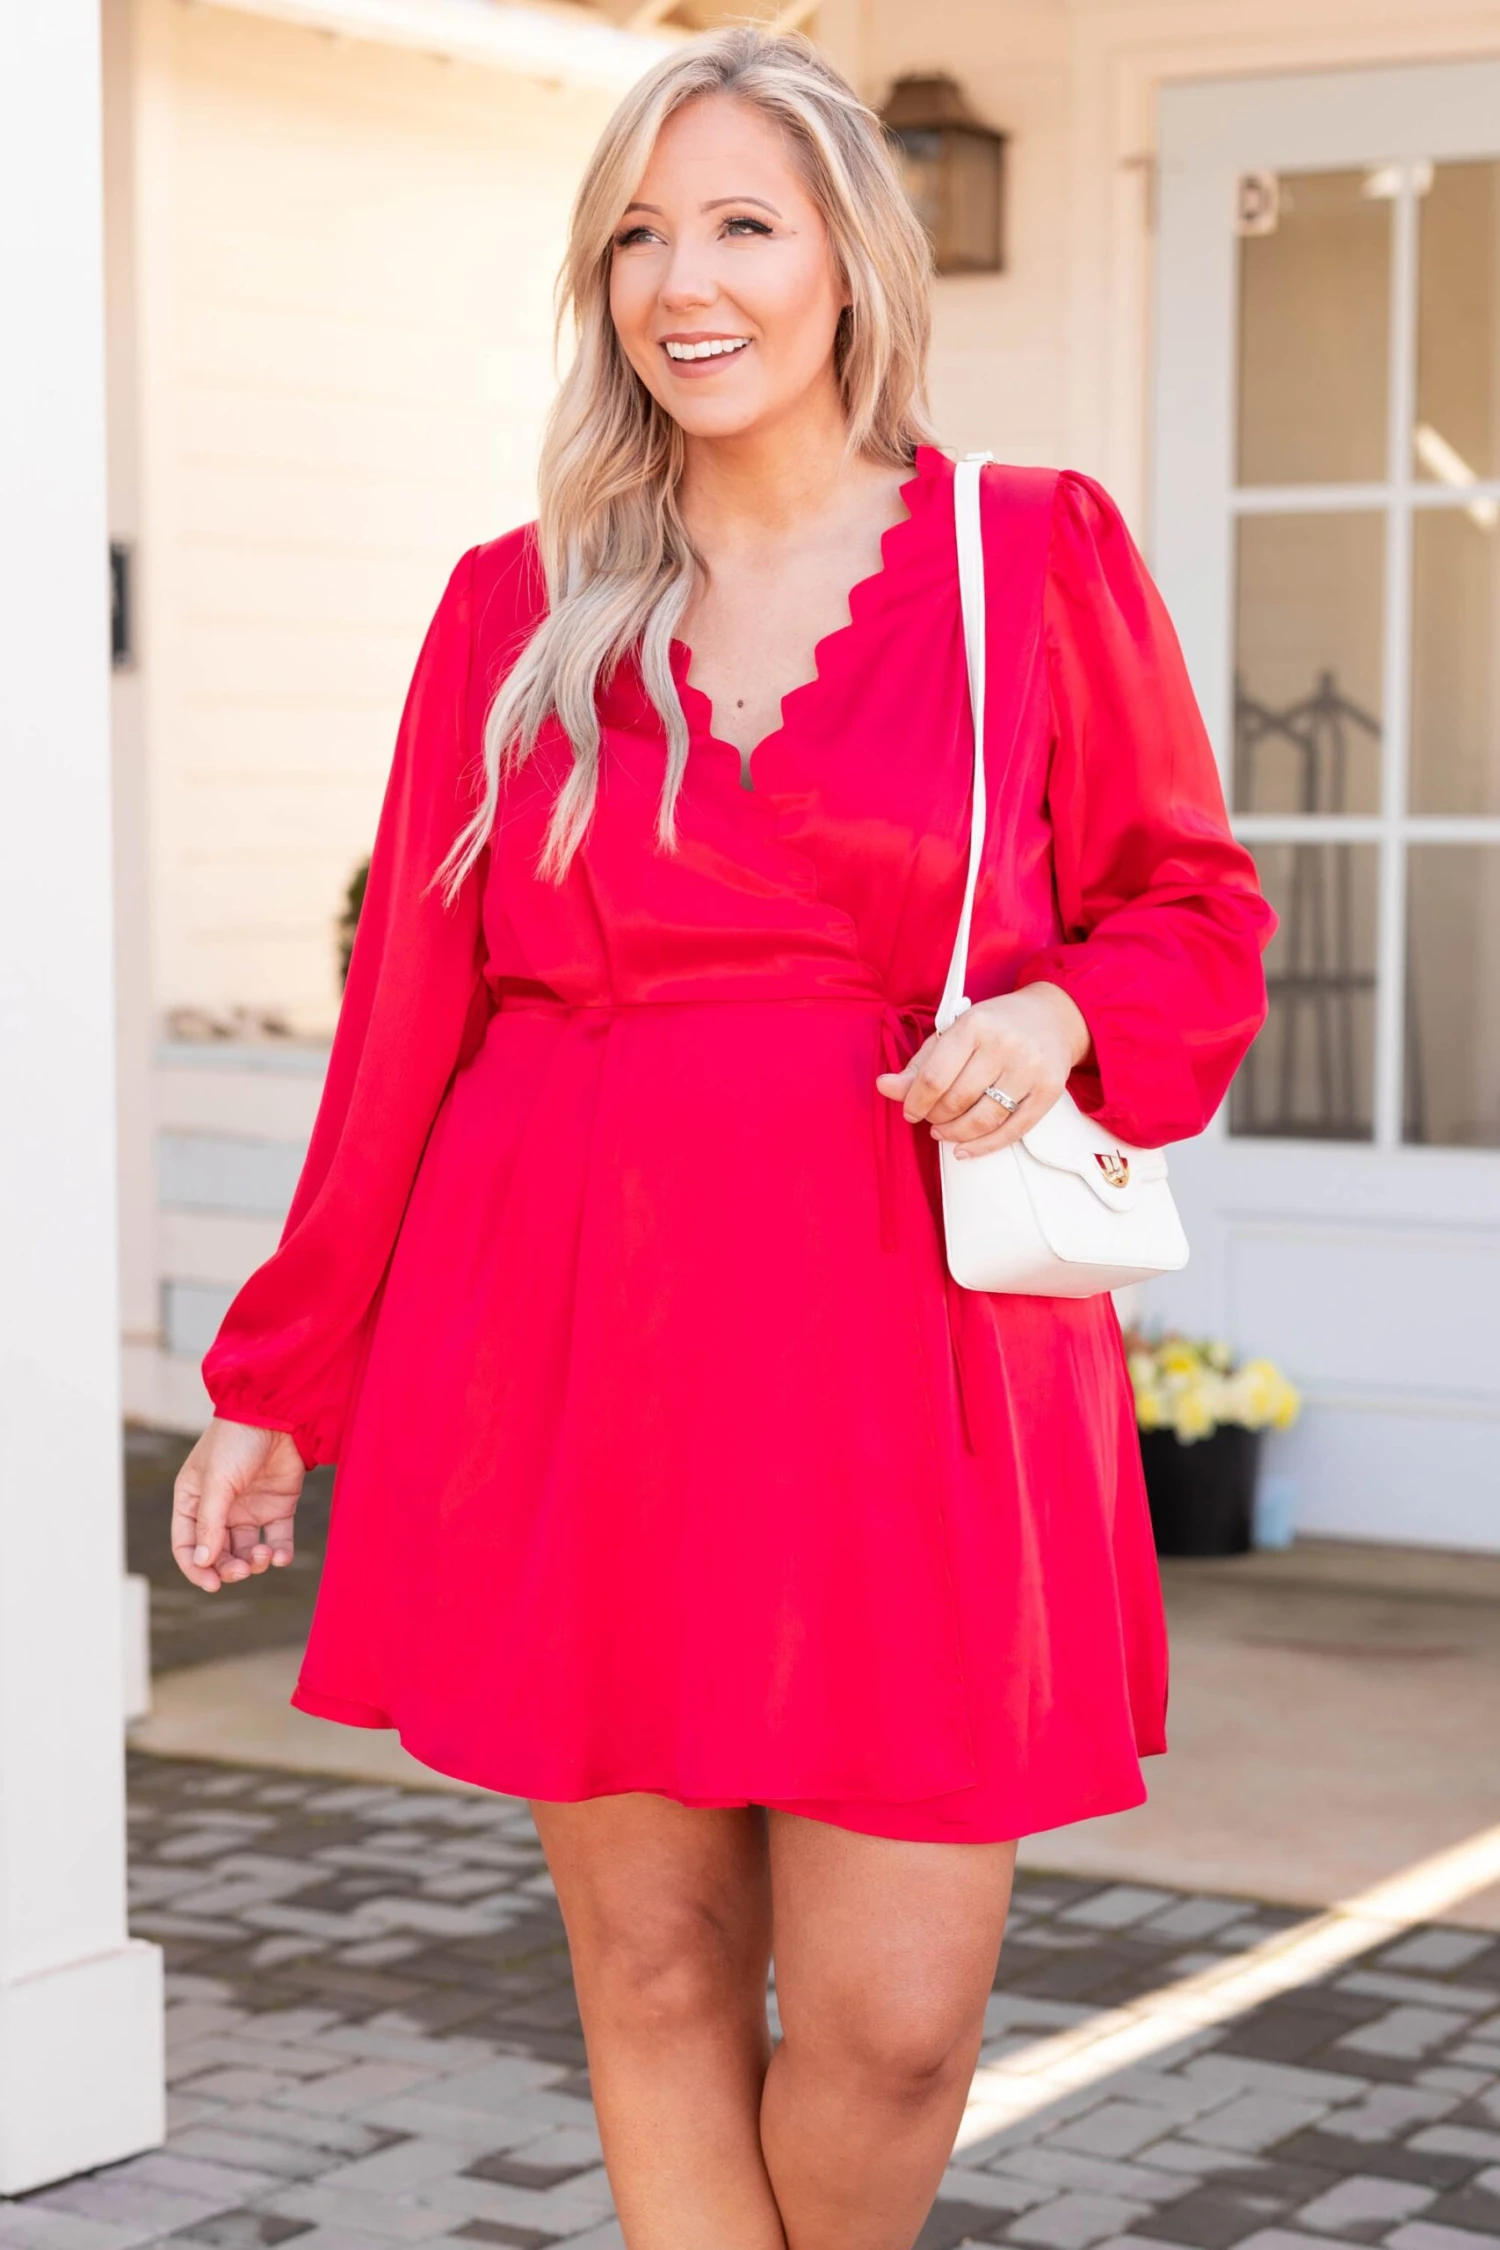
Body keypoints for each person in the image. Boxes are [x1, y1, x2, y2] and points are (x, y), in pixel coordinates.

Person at [172, 27, 1273, 2248]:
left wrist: (1061, 1011)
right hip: (578, 1336)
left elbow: (1195, 909)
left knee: (897, 2025)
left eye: (744, 225)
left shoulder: (1033, 557)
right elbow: (405, 1027)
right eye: (639, 238)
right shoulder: (513, 606)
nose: (685, 283)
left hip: (916, 1363)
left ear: (851, 260)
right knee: (659, 1969)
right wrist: (279, 1380)